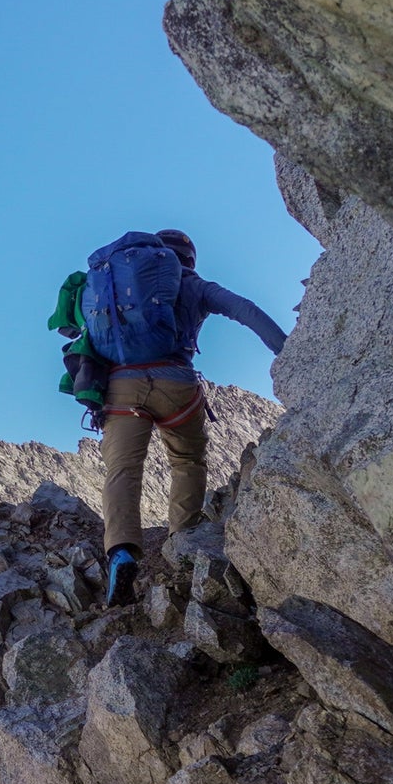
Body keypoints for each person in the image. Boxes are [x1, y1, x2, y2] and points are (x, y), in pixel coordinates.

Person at [97, 229, 286, 604]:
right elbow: (245, 311)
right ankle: (182, 542)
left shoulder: (117, 287)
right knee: (187, 460)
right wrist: (288, 349)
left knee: (123, 469)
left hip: (122, 386)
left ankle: (120, 552)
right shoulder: (198, 286)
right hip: (176, 384)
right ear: (189, 260)